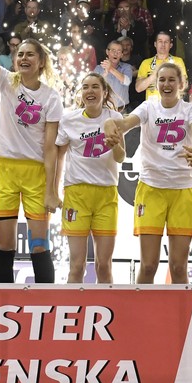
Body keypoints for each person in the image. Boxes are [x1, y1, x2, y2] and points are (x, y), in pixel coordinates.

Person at [0, 10, 63, 284]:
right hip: (5, 170)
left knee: (39, 245)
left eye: (31, 55)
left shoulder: (52, 98)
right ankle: (1, 302)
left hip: (36, 173)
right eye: (20, 54)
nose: (24, 58)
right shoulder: (7, 81)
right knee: (5, 246)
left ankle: (46, 306)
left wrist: (52, 190)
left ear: (41, 63)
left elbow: (51, 149)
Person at [103, 63, 192, 284]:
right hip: (151, 189)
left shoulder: (191, 110)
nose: (166, 84)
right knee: (149, 265)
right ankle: (142, 317)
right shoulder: (148, 107)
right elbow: (126, 123)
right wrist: (113, 125)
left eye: (172, 80)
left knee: (179, 267)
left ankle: (181, 317)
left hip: (182, 190)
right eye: (162, 80)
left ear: (181, 84)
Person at [54, 73, 126, 284]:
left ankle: (107, 312)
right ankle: (72, 314)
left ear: (104, 93)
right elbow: (59, 155)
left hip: (106, 194)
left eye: (95, 87)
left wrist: (115, 145)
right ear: (81, 93)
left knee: (104, 265)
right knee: (76, 266)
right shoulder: (69, 119)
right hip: (77, 193)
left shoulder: (115, 118)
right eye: (85, 87)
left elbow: (121, 157)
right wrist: (53, 191)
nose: (90, 91)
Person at [134, 31, 186, 101]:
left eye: (166, 42)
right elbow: (138, 88)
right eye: (160, 41)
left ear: (170, 45)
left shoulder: (178, 61)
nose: (163, 44)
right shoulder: (146, 63)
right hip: (152, 107)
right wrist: (155, 74)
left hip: (172, 106)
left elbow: (183, 86)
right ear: (155, 44)